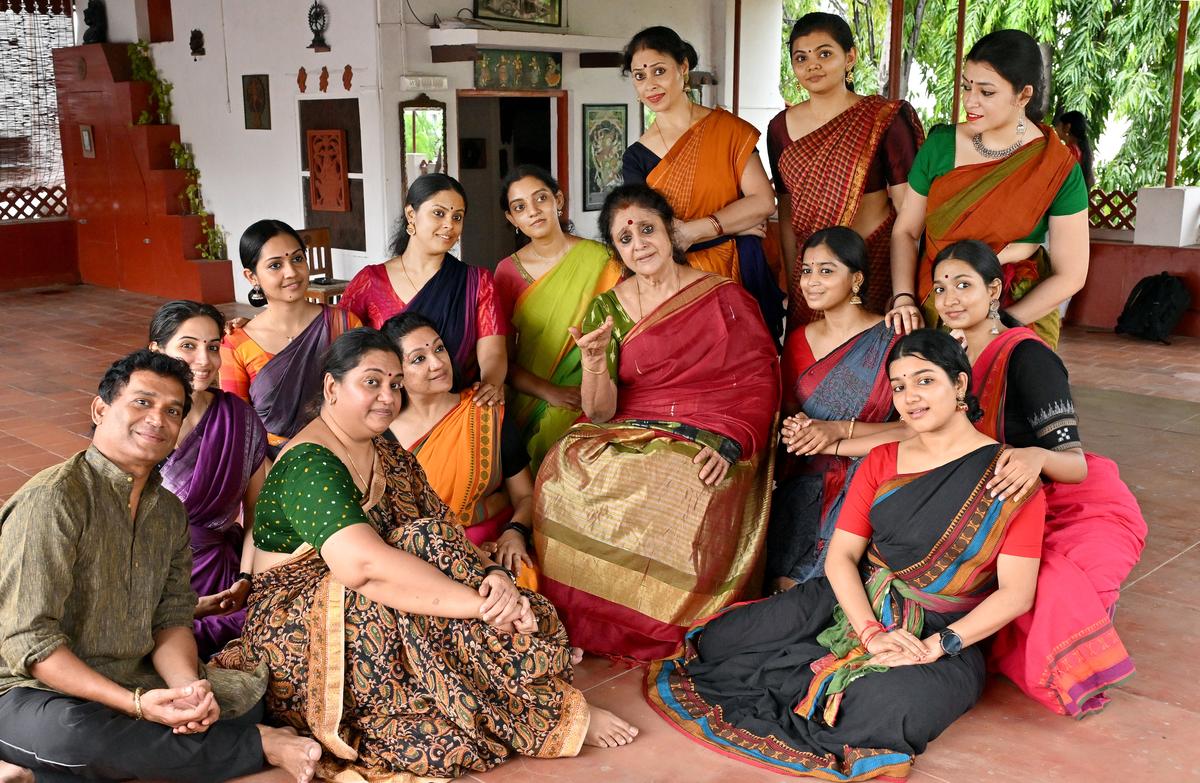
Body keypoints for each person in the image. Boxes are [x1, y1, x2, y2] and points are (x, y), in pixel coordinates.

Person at [210, 329, 638, 780]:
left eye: (395, 384)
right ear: (332, 388)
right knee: (436, 736)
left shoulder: (384, 450)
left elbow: (445, 531)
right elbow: (364, 567)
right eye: (371, 382)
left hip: (366, 593)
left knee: (430, 541)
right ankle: (540, 707)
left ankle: (532, 696)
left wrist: (493, 576)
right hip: (302, 625)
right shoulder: (309, 463)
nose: (387, 397)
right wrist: (479, 606)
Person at [648, 329, 1045, 780]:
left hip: (944, 631)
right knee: (724, 641)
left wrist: (933, 649)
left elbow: (1017, 594)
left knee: (890, 707)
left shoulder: (1009, 474)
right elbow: (841, 557)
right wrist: (872, 634)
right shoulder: (882, 459)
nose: (910, 397)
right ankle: (841, 654)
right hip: (857, 599)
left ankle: (864, 677)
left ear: (959, 385)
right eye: (898, 386)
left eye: (925, 381)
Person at [0, 350, 321, 783]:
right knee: (73, 738)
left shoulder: (169, 512)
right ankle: (260, 745)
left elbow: (171, 618)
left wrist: (187, 686)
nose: (157, 419)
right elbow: (31, 643)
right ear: (100, 409)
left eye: (172, 411)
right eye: (142, 402)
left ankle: (43, 772)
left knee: (241, 704)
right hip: (33, 689)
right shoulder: (55, 500)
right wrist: (133, 704)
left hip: (132, 677)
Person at [534, 184, 780, 662]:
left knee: (674, 478)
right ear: (616, 250)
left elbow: (759, 380)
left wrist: (734, 441)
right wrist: (591, 362)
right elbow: (601, 412)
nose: (639, 244)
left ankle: (663, 625)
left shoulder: (722, 296)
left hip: (713, 426)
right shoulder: (608, 307)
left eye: (647, 229)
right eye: (625, 239)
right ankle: (593, 616)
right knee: (563, 468)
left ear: (670, 232)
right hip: (628, 421)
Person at [931, 240, 1146, 716]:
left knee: (1046, 588)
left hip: (1064, 497)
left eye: (963, 285)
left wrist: (1032, 455)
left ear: (994, 291)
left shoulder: (1029, 357)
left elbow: (1074, 464)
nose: (949, 298)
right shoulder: (949, 357)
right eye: (940, 287)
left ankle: (1077, 661)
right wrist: (838, 436)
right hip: (996, 495)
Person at [887, 29, 1089, 348]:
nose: (970, 101)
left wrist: (999, 325)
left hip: (1016, 315)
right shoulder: (940, 146)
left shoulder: (1056, 166)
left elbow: (1072, 274)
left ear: (1023, 95)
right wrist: (902, 298)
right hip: (935, 304)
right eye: (967, 86)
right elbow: (906, 232)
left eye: (987, 92)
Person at [620, 26, 784, 342]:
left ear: (683, 68)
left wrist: (693, 231)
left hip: (742, 268)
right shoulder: (636, 158)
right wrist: (734, 224)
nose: (650, 84)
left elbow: (763, 202)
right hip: (678, 278)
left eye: (659, 70)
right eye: (640, 76)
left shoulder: (729, 130)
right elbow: (651, 232)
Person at [769, 227, 903, 590]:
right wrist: (796, 431)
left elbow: (917, 429)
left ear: (856, 278)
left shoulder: (893, 338)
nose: (811, 281)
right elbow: (791, 415)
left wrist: (839, 431)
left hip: (873, 474)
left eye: (826, 271)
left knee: (827, 586)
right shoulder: (797, 342)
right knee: (783, 582)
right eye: (807, 271)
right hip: (808, 480)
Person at [768, 12, 923, 324]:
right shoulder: (779, 128)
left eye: (825, 54)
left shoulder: (883, 118)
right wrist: (797, 279)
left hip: (871, 267)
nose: (812, 65)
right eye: (801, 58)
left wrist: (905, 288)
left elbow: (909, 209)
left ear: (849, 57)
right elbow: (786, 213)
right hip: (811, 273)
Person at [382, 312, 539, 590]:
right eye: (419, 358)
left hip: (491, 542)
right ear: (398, 376)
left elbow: (526, 495)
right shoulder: (382, 434)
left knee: (520, 584)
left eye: (439, 348)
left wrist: (515, 532)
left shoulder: (485, 411)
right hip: (422, 556)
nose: (438, 363)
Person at [150, 301, 269, 659]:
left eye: (213, 347)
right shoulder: (138, 424)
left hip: (221, 577)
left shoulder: (238, 420)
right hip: (151, 579)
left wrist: (246, 580)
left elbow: (256, 518)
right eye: (188, 346)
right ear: (157, 351)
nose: (204, 360)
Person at [494, 164, 621, 470]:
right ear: (512, 219)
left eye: (541, 199)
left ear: (558, 200)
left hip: (597, 385)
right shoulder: (506, 273)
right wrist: (550, 392)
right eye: (520, 207)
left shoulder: (602, 259)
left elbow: (623, 333)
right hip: (534, 395)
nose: (533, 211)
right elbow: (502, 360)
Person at [338, 173, 508, 401]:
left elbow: (493, 352)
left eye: (457, 217)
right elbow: (343, 349)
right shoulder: (370, 281)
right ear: (411, 214)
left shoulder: (477, 282)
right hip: (389, 411)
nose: (449, 224)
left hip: (458, 408)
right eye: (439, 213)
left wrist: (491, 384)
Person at [220, 219, 360, 457]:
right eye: (275, 265)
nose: (291, 272)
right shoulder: (237, 344)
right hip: (271, 464)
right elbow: (239, 427)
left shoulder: (345, 324)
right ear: (251, 276)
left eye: (297, 259)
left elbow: (365, 394)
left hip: (344, 454)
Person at [1054, 110, 1095, 188]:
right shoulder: (1081, 149)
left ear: (1067, 127)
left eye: (1058, 125)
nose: (1055, 129)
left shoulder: (1071, 150)